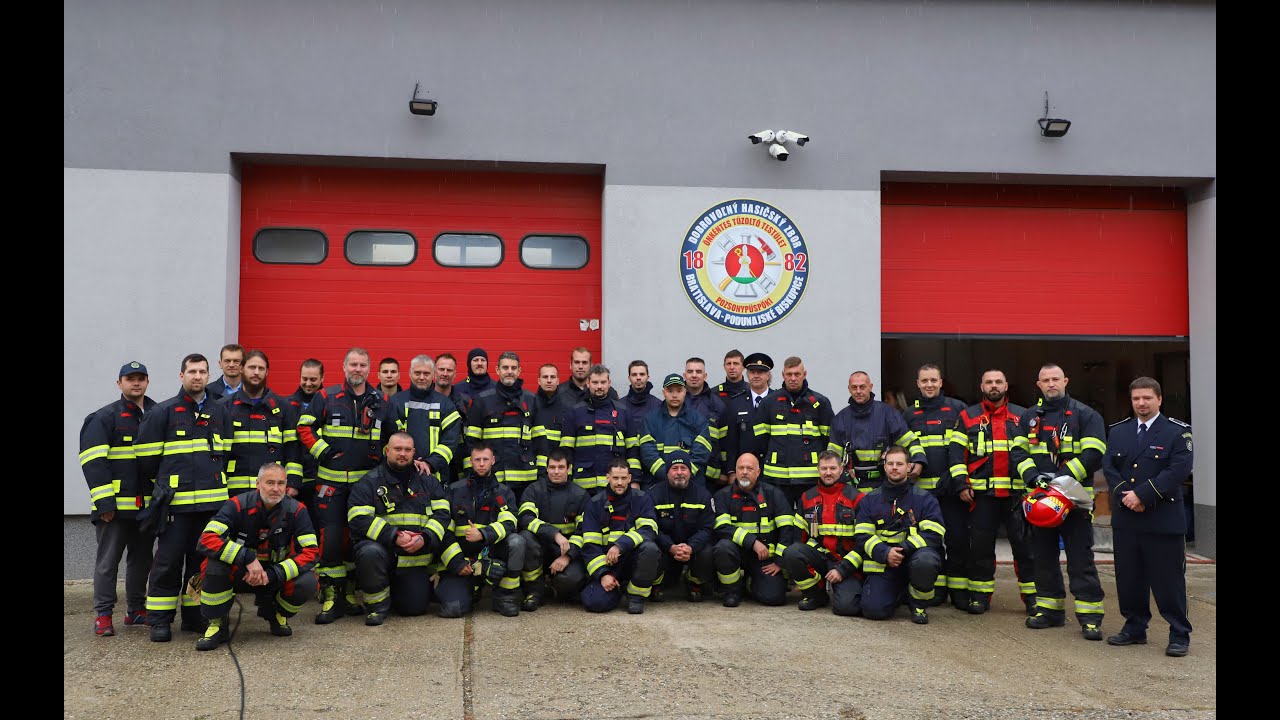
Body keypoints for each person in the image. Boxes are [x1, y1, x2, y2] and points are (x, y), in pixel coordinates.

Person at [135, 353, 232, 642]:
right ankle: (160, 621)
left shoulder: (220, 411)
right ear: (181, 376)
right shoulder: (163, 412)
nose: (198, 376)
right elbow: (146, 459)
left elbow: (224, 454)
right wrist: (164, 487)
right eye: (192, 371)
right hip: (176, 507)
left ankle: (194, 617)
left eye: (202, 371)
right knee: (167, 563)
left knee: (199, 565)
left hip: (210, 507)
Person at [1010, 363, 1108, 641]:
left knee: (1080, 560)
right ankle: (1049, 611)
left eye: (1055, 379)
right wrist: (1033, 478)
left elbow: (1093, 454)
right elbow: (1018, 452)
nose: (1051, 384)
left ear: (1065, 380)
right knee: (1042, 558)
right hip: (1040, 501)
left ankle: (1090, 618)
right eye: (1045, 380)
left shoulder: (1086, 415)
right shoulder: (1029, 417)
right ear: (1038, 384)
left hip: (1074, 501)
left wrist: (1059, 483)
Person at [1103, 377, 1194, 657]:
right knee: (1129, 578)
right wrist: (1125, 496)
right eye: (1136, 399)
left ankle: (1179, 633)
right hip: (1127, 519)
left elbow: (1178, 470)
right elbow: (1110, 468)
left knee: (1168, 581)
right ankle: (1134, 627)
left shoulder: (1177, 432)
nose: (1141, 403)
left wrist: (1142, 495)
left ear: (1159, 399)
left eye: (1147, 398)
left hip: (1162, 519)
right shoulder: (1118, 431)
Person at [295, 347, 386, 624]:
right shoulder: (327, 396)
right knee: (332, 540)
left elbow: (393, 436)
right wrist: (322, 452)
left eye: (362, 365)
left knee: (355, 540)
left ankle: (347, 592)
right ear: (344, 367)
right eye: (353, 364)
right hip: (330, 485)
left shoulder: (381, 401)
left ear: (369, 369)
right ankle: (332, 596)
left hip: (363, 487)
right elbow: (304, 427)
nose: (357, 369)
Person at [192, 463, 319, 650]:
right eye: (270, 483)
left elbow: (311, 552)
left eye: (281, 483)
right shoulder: (236, 504)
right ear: (258, 484)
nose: (276, 488)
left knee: (308, 582)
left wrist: (274, 574)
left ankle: (276, 612)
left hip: (274, 576)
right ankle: (217, 623)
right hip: (242, 572)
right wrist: (247, 558)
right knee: (213, 567)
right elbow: (207, 539)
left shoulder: (298, 510)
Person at [80, 361, 158, 637]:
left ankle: (136, 610)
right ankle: (103, 614)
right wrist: (105, 504)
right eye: (129, 378)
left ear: (147, 381)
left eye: (140, 378)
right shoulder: (103, 417)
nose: (135, 383)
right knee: (108, 562)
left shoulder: (157, 413)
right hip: (113, 509)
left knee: (141, 560)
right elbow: (93, 462)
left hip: (146, 508)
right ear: (119, 383)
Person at [347, 432, 451, 625]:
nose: (402, 454)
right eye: (397, 449)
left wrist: (425, 537)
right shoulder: (370, 481)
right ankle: (377, 607)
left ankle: (400, 591)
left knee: (413, 609)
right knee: (369, 552)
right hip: (384, 554)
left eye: (407, 450)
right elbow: (358, 518)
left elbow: (443, 514)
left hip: (414, 558)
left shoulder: (428, 481)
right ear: (387, 450)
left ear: (414, 453)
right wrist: (393, 535)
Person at [957, 369, 1037, 615]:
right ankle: (980, 597)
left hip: (1017, 497)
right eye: (989, 382)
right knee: (980, 549)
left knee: (1025, 549)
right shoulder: (967, 416)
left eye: (998, 382)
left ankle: (1034, 598)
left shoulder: (1024, 416)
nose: (994, 386)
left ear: (1006, 385)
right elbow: (957, 454)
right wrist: (961, 483)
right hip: (982, 497)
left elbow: (1034, 453)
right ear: (981, 386)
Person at [901, 363, 969, 609]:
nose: (929, 385)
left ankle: (959, 592)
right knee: (930, 542)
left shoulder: (958, 410)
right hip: (922, 497)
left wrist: (957, 480)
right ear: (917, 384)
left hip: (951, 492)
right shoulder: (909, 414)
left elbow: (964, 450)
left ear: (941, 382)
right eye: (924, 381)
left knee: (957, 540)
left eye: (933, 380)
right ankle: (936, 588)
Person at [853, 445, 945, 624]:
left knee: (926, 560)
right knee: (874, 610)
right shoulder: (870, 500)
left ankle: (918, 603)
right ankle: (897, 592)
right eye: (890, 463)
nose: (895, 467)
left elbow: (934, 534)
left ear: (909, 466)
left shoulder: (925, 498)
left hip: (914, 560)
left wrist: (904, 549)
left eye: (899, 464)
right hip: (885, 563)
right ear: (885, 466)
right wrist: (885, 553)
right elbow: (862, 535)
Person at [437, 443, 525, 617]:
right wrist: (457, 563)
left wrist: (483, 534)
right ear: (471, 461)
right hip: (462, 558)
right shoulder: (454, 490)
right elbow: (443, 530)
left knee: (517, 542)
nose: (482, 464)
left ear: (493, 460)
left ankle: (505, 597)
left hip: (491, 553)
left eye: (485, 459)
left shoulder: (504, 492)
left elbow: (510, 522)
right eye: (477, 460)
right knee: (452, 610)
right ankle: (468, 590)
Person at [782, 451, 866, 615]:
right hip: (819, 558)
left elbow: (863, 543)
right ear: (818, 470)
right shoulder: (807, 498)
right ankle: (815, 594)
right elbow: (799, 537)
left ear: (841, 469)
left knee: (846, 608)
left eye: (833, 468)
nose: (828, 472)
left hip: (846, 561)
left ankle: (844, 590)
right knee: (792, 552)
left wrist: (843, 569)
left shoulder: (857, 498)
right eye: (824, 468)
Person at [712, 453, 799, 607]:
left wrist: (779, 562)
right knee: (722, 547)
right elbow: (722, 528)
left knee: (774, 598)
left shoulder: (774, 494)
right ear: (736, 471)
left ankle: (751, 582)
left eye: (749, 468)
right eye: (741, 468)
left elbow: (787, 529)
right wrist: (753, 542)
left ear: (758, 472)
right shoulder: (722, 496)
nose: (744, 472)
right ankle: (732, 590)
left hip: (764, 558)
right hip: (736, 553)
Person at [750, 356, 835, 508]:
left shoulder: (820, 403)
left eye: (797, 374)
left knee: (810, 522)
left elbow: (828, 440)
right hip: (777, 479)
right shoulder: (769, 403)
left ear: (805, 374)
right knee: (782, 522)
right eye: (789, 374)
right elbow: (759, 442)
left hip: (810, 480)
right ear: (783, 375)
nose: (793, 378)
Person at [580, 459, 661, 614]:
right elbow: (590, 546)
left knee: (650, 548)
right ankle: (615, 587)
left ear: (630, 478)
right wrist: (603, 574)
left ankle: (636, 597)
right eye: (615, 478)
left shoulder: (642, 499)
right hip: (608, 563)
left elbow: (649, 530)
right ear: (607, 477)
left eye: (623, 478)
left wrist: (620, 545)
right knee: (593, 603)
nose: (619, 483)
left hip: (633, 560)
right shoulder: (594, 504)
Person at [218, 350, 302, 495]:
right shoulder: (224, 407)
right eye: (252, 367)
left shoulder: (283, 407)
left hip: (272, 490)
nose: (256, 372)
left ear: (267, 372)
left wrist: (293, 482)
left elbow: (293, 448)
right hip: (235, 490)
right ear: (241, 369)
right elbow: (217, 451)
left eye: (261, 368)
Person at [516, 448, 589, 610]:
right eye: (552, 467)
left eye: (561, 467)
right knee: (525, 537)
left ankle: (555, 588)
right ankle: (534, 591)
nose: (556, 472)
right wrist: (554, 533)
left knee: (571, 580)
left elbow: (584, 531)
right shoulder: (533, 490)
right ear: (547, 468)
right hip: (539, 548)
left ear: (569, 469)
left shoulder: (580, 495)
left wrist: (568, 557)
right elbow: (525, 518)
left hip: (565, 551)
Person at [463, 351, 540, 503]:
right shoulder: (482, 401)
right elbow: (471, 442)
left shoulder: (531, 400)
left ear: (519, 370)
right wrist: (470, 472)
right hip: (491, 478)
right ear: (497, 370)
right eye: (505, 368)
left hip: (526, 480)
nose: (509, 371)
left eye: (513, 368)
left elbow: (540, 441)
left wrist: (541, 474)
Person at [828, 371, 924, 494]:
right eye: (854, 387)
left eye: (862, 387)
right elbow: (833, 457)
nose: (858, 391)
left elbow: (910, 442)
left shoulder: (888, 414)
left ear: (871, 387)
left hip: (886, 486)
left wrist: (919, 460)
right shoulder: (840, 419)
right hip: (852, 489)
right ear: (849, 389)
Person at [646, 450, 715, 603]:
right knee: (649, 548)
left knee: (709, 551)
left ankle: (694, 583)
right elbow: (651, 528)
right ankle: (657, 585)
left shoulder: (703, 495)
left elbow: (707, 528)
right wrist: (670, 547)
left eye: (683, 468)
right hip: (665, 550)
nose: (679, 473)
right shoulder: (653, 495)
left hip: (692, 551)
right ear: (667, 472)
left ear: (690, 472)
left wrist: (690, 547)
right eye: (674, 468)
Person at [559, 364, 638, 493]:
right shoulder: (575, 412)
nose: (599, 386)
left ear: (609, 383)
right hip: (582, 486)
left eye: (603, 382)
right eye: (595, 382)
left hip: (615, 486)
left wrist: (634, 480)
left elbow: (633, 450)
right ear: (588, 383)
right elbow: (566, 451)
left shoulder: (623, 412)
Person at [383, 354, 462, 483]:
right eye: (417, 373)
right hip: (400, 476)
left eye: (426, 373)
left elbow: (450, 443)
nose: (421, 377)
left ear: (433, 375)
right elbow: (386, 437)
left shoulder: (446, 405)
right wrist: (407, 461)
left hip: (435, 477)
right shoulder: (396, 402)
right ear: (410, 373)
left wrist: (430, 463)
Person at [638, 373, 712, 490]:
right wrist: (667, 475)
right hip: (658, 485)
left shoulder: (698, 419)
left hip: (692, 486)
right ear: (663, 393)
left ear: (685, 392)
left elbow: (701, 452)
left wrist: (684, 475)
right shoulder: (650, 419)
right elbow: (648, 453)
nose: (674, 395)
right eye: (670, 391)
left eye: (679, 391)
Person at [718, 352, 773, 494]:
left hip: (772, 470)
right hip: (744, 470)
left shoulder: (777, 400)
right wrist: (731, 471)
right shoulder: (736, 402)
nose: (756, 375)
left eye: (761, 372)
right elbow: (730, 441)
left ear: (768, 375)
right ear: (747, 374)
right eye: (752, 372)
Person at [285, 358, 326, 509]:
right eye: (304, 379)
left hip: (322, 478)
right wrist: (292, 481)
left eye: (313, 379)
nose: (308, 383)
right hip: (295, 481)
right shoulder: (288, 405)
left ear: (322, 378)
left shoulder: (331, 403)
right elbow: (290, 446)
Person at [683, 357, 726, 485]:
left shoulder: (717, 404)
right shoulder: (674, 402)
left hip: (709, 474)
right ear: (684, 375)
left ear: (705, 375)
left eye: (698, 371)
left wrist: (725, 470)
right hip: (680, 471)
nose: (694, 375)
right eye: (690, 372)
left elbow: (726, 441)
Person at [531, 363, 573, 480]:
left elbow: (568, 445)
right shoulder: (530, 405)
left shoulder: (567, 408)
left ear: (558, 380)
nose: (549, 380)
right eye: (545, 377)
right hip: (534, 472)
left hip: (558, 471)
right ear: (539, 380)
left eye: (552, 377)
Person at [621, 360, 662, 447]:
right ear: (629, 378)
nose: (638, 377)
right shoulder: (620, 406)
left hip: (652, 456)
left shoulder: (659, 405)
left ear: (648, 377)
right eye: (634, 374)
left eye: (642, 374)